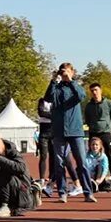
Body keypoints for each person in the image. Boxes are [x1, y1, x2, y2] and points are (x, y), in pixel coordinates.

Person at [43, 63, 96, 203]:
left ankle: (87, 192)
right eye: (62, 71)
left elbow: (81, 96)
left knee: (82, 162)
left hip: (75, 130)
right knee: (59, 163)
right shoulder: (57, 88)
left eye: (67, 71)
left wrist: (70, 80)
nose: (64, 73)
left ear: (72, 72)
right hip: (59, 130)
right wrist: (54, 80)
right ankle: (62, 192)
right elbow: (48, 98)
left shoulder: (75, 86)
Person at [82, 83, 111, 177]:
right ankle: (93, 175)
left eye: (96, 90)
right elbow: (87, 119)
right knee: (92, 154)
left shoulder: (109, 103)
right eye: (92, 91)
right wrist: (92, 126)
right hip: (93, 133)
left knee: (110, 155)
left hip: (106, 133)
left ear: (100, 90)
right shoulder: (89, 106)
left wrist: (108, 127)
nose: (94, 92)